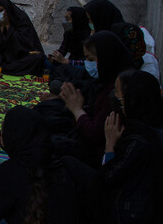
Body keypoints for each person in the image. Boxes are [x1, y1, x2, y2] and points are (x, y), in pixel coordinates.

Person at [72, 69, 163, 224]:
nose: (114, 100)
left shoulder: (139, 142)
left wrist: (110, 145)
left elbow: (108, 179)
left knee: (69, 165)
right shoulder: (140, 129)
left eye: (118, 97)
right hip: (123, 206)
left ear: (133, 101)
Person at [58, 31, 137, 165]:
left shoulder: (117, 91)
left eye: (91, 60)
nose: (88, 64)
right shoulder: (107, 79)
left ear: (106, 58)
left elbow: (95, 133)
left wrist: (77, 110)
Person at [0, 0, 45, 76]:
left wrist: (8, 26)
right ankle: (5, 68)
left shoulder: (21, 18)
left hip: (20, 56)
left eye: (1, 10)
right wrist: (1, 29)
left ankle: (2, 69)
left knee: (37, 58)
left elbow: (24, 44)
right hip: (3, 57)